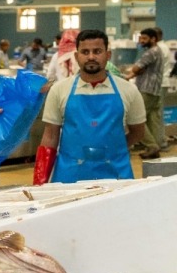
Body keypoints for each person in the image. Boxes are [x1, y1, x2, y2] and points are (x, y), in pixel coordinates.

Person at [34, 29, 146, 183]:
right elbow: (50, 136)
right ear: (76, 56)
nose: (91, 57)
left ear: (108, 55)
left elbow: (138, 132)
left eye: (97, 51)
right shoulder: (59, 90)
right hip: (69, 177)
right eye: (85, 52)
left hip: (116, 176)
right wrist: (40, 180)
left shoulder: (128, 90)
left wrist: (114, 149)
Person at [123, 27, 165, 160]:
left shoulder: (150, 52)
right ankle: (155, 146)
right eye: (140, 38)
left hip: (146, 89)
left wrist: (132, 73)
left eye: (145, 38)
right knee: (153, 120)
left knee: (136, 118)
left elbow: (137, 68)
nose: (141, 41)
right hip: (155, 90)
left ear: (153, 39)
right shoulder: (158, 51)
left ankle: (151, 145)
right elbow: (140, 70)